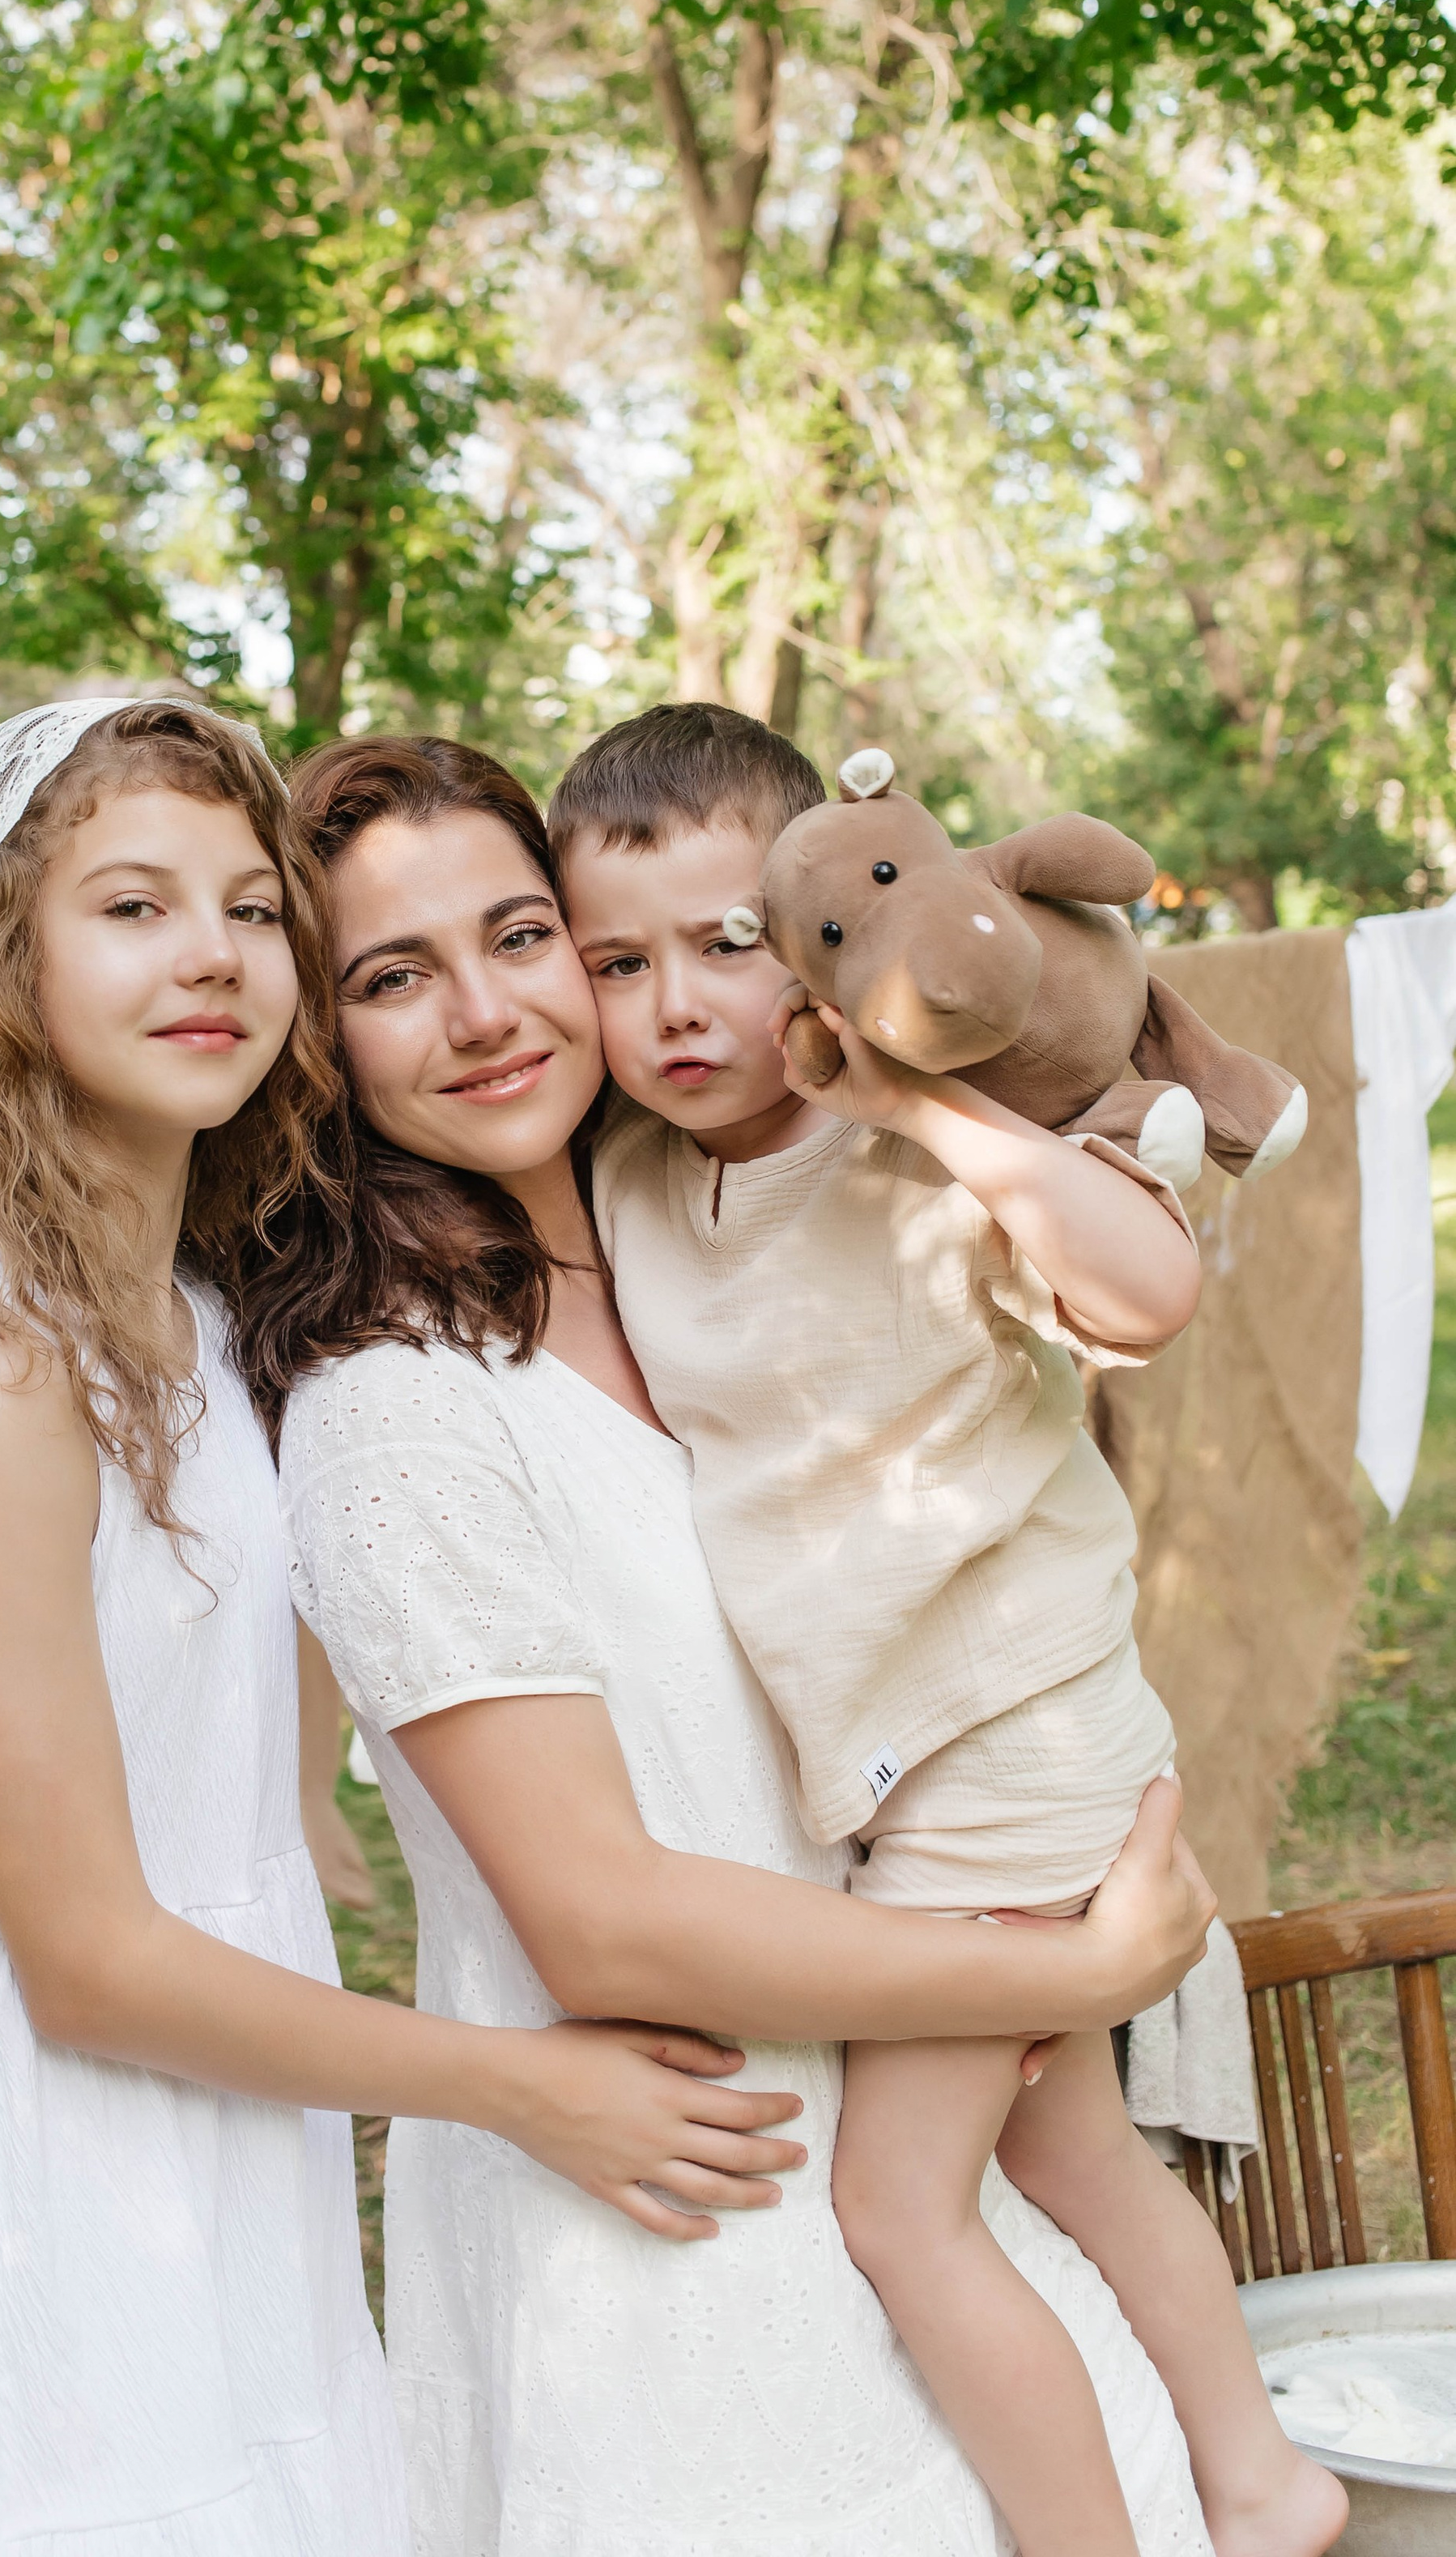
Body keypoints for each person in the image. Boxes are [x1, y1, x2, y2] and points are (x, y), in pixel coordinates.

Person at [0, 694, 792, 2557]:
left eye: (249, 910)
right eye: (133, 910)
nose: (212, 957)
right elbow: (78, 1958)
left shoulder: (198, 1330)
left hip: (233, 2118)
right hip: (48, 2171)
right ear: (5, 966)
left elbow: (259, 1791)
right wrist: (515, 2084)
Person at [245, 728, 1223, 2557]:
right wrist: (1068, 1968)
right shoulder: (395, 1407)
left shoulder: (704, 1222)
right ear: (321, 1040)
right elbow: (598, 1918)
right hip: (674, 2235)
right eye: (390, 977)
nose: (483, 1014)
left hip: (922, 2131)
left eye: (522, 937)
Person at [554, 701, 1346, 2557]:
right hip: (903, 1763)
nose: (674, 1003)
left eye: (726, 944)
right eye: (616, 961)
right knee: (1065, 2148)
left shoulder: (926, 1147)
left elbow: (1147, 1290)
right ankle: (1257, 2474)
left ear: (818, 935)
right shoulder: (635, 1185)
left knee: (897, 2216)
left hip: (1014, 1737)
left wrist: (910, 1105)